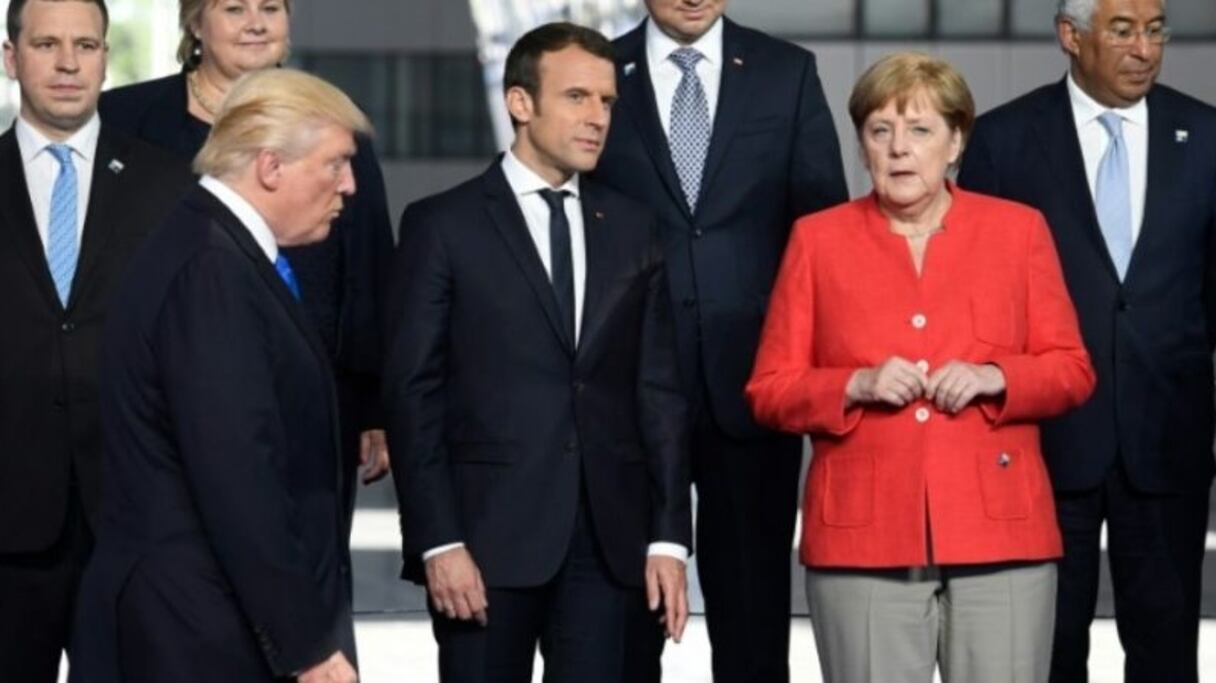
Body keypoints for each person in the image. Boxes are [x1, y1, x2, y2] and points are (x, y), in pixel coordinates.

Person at [746, 52, 1097, 683]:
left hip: (1002, 534)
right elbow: (770, 390)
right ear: (862, 144)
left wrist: (999, 376)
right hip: (863, 538)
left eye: (920, 130)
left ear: (957, 140)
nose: (899, 149)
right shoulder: (817, 240)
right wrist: (853, 383)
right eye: (880, 131)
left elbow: (1072, 369)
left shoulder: (1017, 232)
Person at [383, 22, 691, 683]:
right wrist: (439, 539)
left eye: (607, 102)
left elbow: (659, 390)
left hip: (611, 547)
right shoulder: (442, 226)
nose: (597, 118)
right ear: (520, 103)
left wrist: (669, 536)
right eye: (577, 97)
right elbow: (413, 395)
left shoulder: (635, 227)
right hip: (485, 540)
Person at [70, 68, 368, 683]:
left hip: (203, 618)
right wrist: (307, 645)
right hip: (196, 630)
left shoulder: (214, 249)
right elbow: (239, 476)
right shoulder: (211, 270)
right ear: (271, 166)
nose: (351, 186)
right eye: (335, 163)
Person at [957, 1, 1216, 680]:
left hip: (1168, 441)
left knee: (1166, 653)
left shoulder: (1207, 134)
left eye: (1156, 30)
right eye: (1124, 30)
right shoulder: (1003, 140)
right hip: (1042, 447)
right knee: (1046, 652)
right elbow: (977, 299)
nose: (1145, 49)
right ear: (1070, 36)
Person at [592, 2, 848, 678]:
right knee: (625, 616)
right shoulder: (593, 72)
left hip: (754, 383)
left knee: (753, 620)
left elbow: (822, 233)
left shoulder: (785, 72)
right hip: (623, 388)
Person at [98, 0, 393, 530]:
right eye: (234, 8)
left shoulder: (335, 121)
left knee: (302, 567)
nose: (256, 23)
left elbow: (369, 268)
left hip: (309, 396)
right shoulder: (122, 120)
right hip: (161, 395)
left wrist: (374, 405)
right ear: (194, 22)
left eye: (271, 8)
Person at [0, 0, 193, 680]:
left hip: (131, 519)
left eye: (86, 45)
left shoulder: (168, 184)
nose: (67, 63)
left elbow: (191, 347)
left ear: (106, 57)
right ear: (10, 56)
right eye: (47, 44)